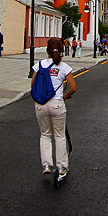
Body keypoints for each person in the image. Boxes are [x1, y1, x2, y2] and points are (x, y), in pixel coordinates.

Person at [33, 37, 77, 182]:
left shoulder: (39, 65)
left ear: (47, 50)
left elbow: (33, 84)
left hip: (41, 104)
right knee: (59, 136)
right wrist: (66, 96)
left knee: (45, 134)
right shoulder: (64, 67)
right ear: (61, 51)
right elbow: (73, 87)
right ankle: (62, 167)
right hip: (57, 104)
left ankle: (46, 164)